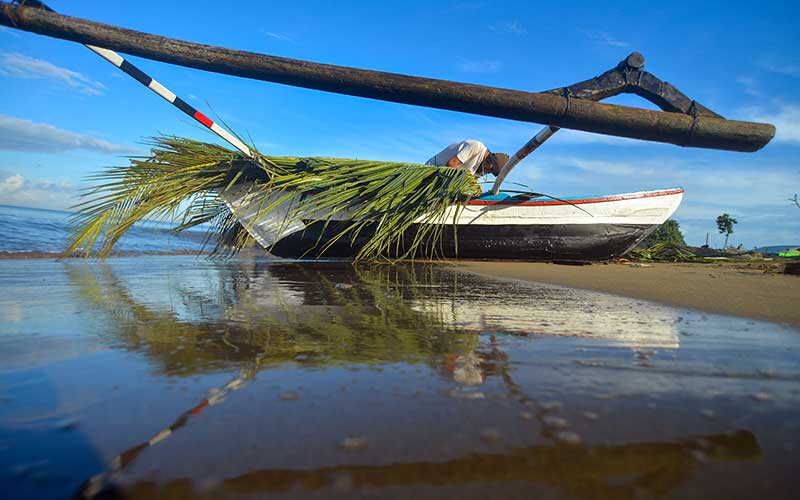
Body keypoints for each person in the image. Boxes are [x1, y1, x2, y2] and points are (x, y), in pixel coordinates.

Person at [425, 140, 509, 178]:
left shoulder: (483, 169)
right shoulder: (476, 147)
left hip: (444, 178)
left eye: (492, 172)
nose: (488, 172)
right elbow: (451, 165)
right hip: (431, 171)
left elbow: (473, 179)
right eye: (491, 169)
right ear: (490, 159)